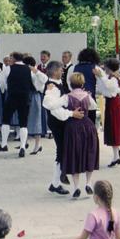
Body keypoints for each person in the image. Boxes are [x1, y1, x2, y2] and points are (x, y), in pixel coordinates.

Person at [55, 73, 99, 198]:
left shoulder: (67, 97)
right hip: (87, 126)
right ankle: (89, 183)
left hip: (72, 127)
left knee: (75, 154)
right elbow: (93, 106)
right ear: (83, 83)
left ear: (70, 83)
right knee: (89, 153)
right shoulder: (87, 96)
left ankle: (75, 188)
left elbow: (56, 106)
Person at [43, 61, 84, 195]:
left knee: (62, 150)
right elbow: (54, 109)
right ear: (55, 71)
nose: (62, 72)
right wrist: (72, 113)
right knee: (61, 150)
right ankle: (57, 181)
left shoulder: (54, 85)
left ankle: (57, 181)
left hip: (58, 121)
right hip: (57, 122)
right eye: (61, 70)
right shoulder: (52, 87)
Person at [0, 52, 34, 157]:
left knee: (6, 120)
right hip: (25, 97)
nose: (10, 59)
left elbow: (1, 82)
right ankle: (22, 147)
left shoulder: (8, 68)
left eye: (11, 57)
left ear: (14, 58)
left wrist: (5, 90)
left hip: (12, 96)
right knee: (23, 122)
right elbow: (34, 82)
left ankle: (4, 144)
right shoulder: (28, 69)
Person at [93, 58, 120, 167]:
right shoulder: (110, 77)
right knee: (113, 130)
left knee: (115, 130)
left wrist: (100, 75)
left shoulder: (112, 78)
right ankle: (116, 154)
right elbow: (102, 88)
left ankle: (116, 156)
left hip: (115, 104)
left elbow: (108, 86)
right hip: (111, 104)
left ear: (109, 68)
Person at [69, 48, 101, 124]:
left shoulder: (73, 68)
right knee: (90, 122)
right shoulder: (96, 68)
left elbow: (68, 82)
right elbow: (100, 84)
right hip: (90, 98)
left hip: (74, 99)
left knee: (76, 121)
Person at [25, 56, 48, 154]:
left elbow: (45, 79)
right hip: (26, 97)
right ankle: (24, 142)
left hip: (35, 97)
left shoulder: (36, 73)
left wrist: (35, 71)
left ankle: (37, 145)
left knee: (36, 121)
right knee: (25, 120)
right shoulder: (25, 73)